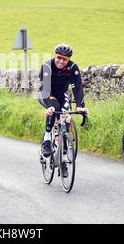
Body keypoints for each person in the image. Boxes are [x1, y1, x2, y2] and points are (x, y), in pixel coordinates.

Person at [37, 44, 89, 177]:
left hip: (62, 94)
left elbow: (77, 87)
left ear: (68, 59)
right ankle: (47, 139)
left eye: (64, 59)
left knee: (66, 118)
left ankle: (64, 161)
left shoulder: (72, 68)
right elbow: (45, 89)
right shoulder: (47, 66)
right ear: (55, 55)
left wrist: (79, 105)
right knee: (54, 108)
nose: (61, 61)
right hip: (46, 93)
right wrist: (49, 106)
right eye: (59, 58)